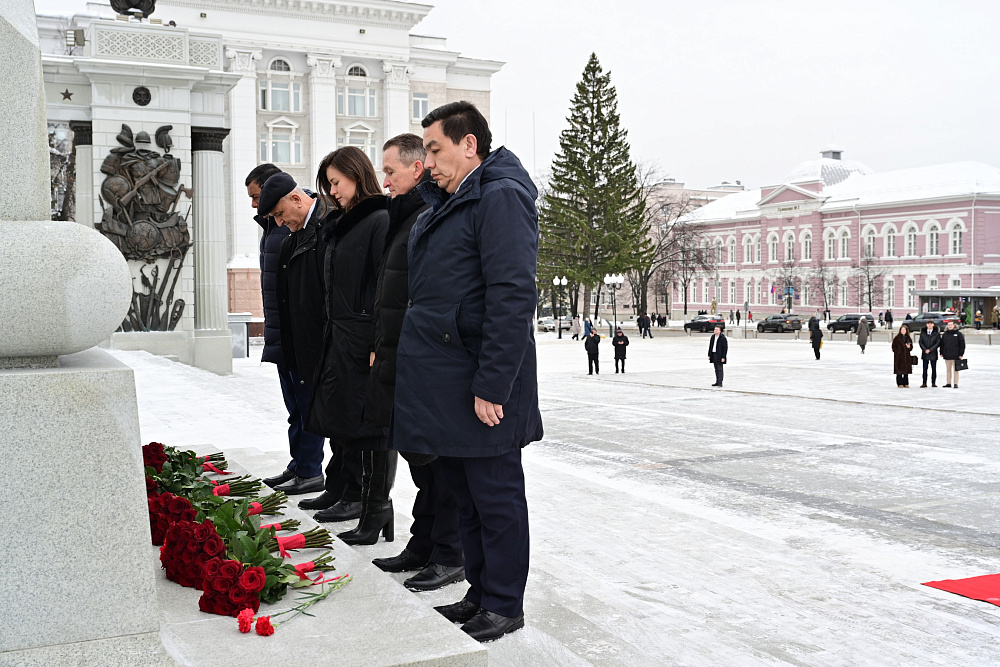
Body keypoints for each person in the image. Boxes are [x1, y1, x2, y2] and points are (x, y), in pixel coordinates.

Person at [392, 101, 542, 641]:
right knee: (470, 500)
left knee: (496, 499)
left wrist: (492, 384)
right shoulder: (455, 199)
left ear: (469, 145)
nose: (427, 161)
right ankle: (480, 594)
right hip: (450, 377)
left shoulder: (499, 195)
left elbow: (512, 294)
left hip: (482, 383)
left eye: (434, 149)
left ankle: (504, 603)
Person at [366, 134, 464, 591]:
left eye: (390, 171)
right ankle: (422, 545)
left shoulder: (427, 215)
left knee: (439, 468)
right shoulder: (402, 217)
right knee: (420, 465)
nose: (384, 181)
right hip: (400, 357)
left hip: (425, 360)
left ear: (417, 169)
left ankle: (449, 554)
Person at [307, 147, 394, 544]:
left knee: (369, 427)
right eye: (328, 185)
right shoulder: (341, 223)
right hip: (340, 335)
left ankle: (373, 505)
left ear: (357, 175)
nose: (332, 191)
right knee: (343, 419)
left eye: (336, 182)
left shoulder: (378, 218)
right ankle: (355, 496)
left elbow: (383, 285)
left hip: (363, 338)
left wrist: (379, 338)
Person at [246, 164, 326, 494]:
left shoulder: (288, 228)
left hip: (296, 336)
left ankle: (308, 469)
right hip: (284, 332)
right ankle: (300, 464)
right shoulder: (276, 226)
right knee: (295, 407)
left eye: (256, 197)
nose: (254, 205)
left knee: (304, 407)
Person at [940, 320, 965, 388]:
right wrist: (941, 352)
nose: (950, 326)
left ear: (954, 326)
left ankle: (955, 383)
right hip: (947, 355)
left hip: (956, 355)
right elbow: (942, 344)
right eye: (948, 325)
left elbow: (962, 345)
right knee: (948, 370)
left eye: (951, 325)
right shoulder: (945, 334)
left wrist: (961, 354)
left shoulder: (958, 334)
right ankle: (948, 383)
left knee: (956, 370)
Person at [918, 319, 940, 388]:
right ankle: (924, 382)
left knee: (934, 369)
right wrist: (925, 349)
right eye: (928, 324)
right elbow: (920, 342)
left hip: (933, 353)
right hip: (925, 353)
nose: (929, 325)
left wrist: (930, 349)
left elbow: (938, 342)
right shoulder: (923, 332)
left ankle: (933, 382)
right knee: (925, 369)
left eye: (931, 323)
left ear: (933, 325)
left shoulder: (936, 333)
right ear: (926, 325)